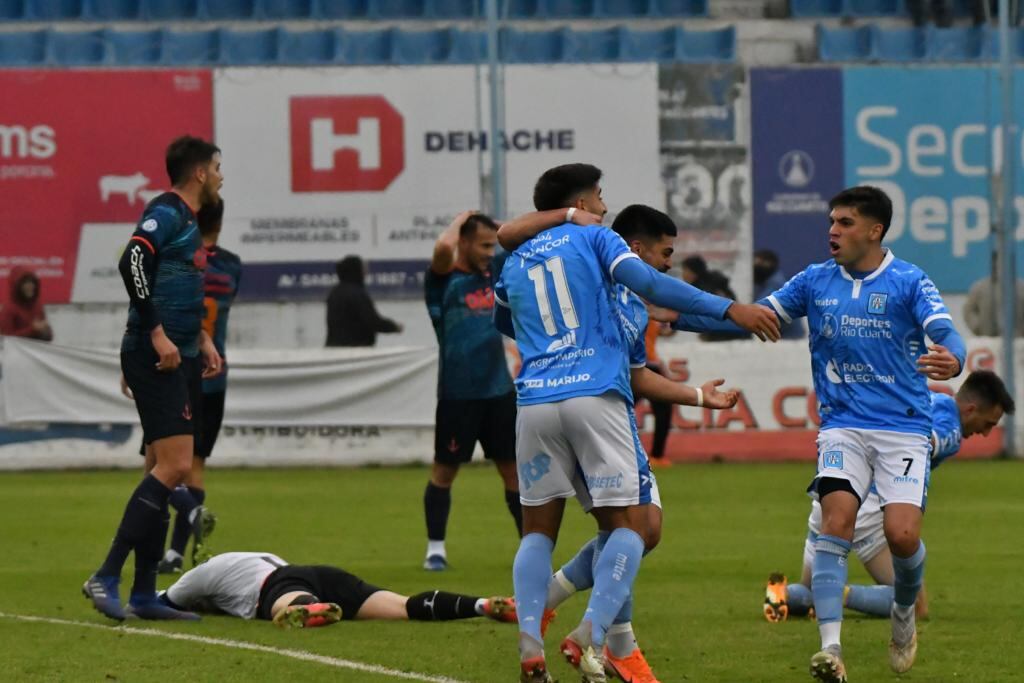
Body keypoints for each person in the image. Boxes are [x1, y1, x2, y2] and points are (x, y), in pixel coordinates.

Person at [494, 163, 779, 682]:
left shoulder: (512, 260)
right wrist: (732, 308)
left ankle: (530, 642)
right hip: (595, 394)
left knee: (537, 533)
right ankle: (594, 636)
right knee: (630, 526)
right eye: (599, 197)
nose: (605, 206)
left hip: (534, 400)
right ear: (582, 202)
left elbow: (507, 320)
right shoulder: (597, 240)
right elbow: (648, 284)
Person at [674, 185, 967, 681]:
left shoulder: (909, 282)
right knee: (836, 522)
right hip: (842, 426)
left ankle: (901, 611)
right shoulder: (813, 281)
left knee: (901, 534)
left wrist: (953, 356)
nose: (833, 230)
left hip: (902, 429)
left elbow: (945, 332)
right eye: (832, 221)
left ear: (875, 231)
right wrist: (675, 315)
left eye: (846, 222)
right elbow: (754, 318)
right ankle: (831, 650)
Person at [83, 135, 224, 622]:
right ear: (200, 173)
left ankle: (144, 594)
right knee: (177, 466)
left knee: (158, 470)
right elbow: (134, 260)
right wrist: (158, 334)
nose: (222, 176)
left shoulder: (186, 221)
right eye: (218, 167)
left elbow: (176, 283)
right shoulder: (166, 211)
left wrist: (200, 339)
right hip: (157, 355)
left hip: (177, 353)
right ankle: (107, 573)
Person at [764, 371, 1014, 623]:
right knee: (915, 605)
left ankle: (780, 594)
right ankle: (837, 593)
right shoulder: (950, 430)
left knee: (807, 591)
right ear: (971, 410)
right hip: (866, 507)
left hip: (832, 491)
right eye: (989, 424)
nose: (985, 433)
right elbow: (918, 444)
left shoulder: (928, 398)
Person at [421, 211, 520, 571]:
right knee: (444, 473)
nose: (488, 251)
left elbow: (518, 239)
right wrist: (463, 216)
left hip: (499, 392)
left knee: (513, 473)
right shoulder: (441, 281)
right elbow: (441, 247)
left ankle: (531, 550)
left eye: (491, 245)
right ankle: (436, 549)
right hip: (457, 395)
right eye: (482, 244)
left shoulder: (493, 271)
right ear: (463, 241)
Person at [158, 198, 241, 574]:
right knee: (196, 467)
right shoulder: (231, 267)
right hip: (216, 374)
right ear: (220, 224)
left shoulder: (181, 262)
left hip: (181, 370)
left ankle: (170, 544)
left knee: (160, 465)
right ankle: (178, 551)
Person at [157, 550, 536, 628]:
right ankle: (482, 604)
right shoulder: (246, 556)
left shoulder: (201, 575)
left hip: (278, 585)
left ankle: (310, 610)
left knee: (284, 605)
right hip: (318, 571)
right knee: (404, 606)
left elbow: (164, 602)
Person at [324, 255, 401, 347]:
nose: (366, 272)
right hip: (356, 349)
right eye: (363, 269)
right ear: (356, 270)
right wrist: (394, 327)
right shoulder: (357, 294)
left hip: (333, 347)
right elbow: (373, 321)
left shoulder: (335, 292)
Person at [754, 249, 805, 340]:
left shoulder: (776, 285)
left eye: (758, 263)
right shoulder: (767, 283)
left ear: (768, 264)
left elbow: (756, 311)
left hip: (790, 341)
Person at [0, 266, 53, 340]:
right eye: (26, 283)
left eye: (32, 282)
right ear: (17, 286)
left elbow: (47, 335)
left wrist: (46, 331)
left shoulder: (37, 305)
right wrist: (32, 330)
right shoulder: (8, 309)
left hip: (36, 350)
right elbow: (7, 340)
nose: (31, 286)